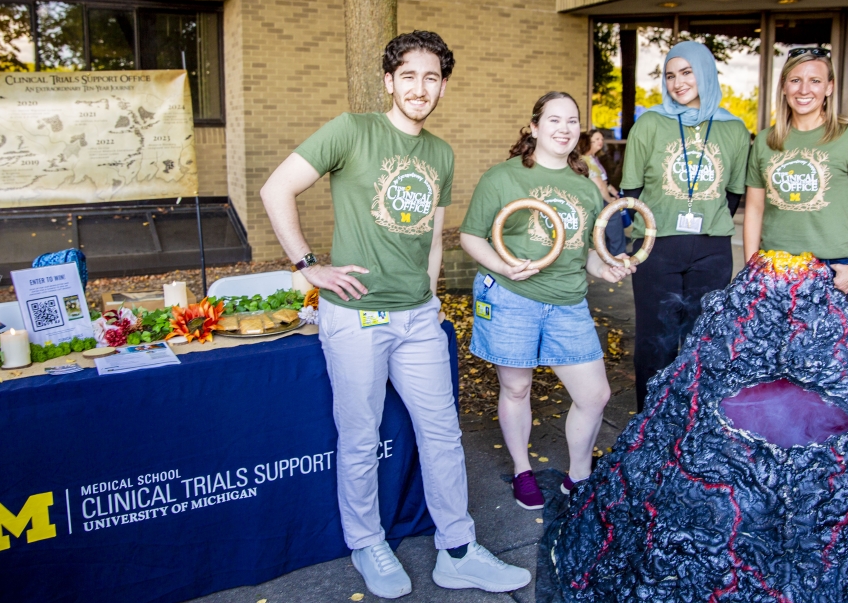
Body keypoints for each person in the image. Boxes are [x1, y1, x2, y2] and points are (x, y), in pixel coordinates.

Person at [260, 31, 530, 599]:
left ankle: (456, 550)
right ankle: (367, 543)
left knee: (442, 436)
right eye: (408, 75)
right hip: (355, 319)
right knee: (360, 439)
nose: (420, 87)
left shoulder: (440, 152)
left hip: (417, 321)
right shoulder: (351, 130)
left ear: (443, 86)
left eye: (431, 77)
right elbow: (276, 188)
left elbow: (432, 236)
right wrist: (308, 265)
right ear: (388, 80)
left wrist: (430, 298)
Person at [459, 91, 633, 509]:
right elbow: (470, 236)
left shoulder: (587, 188)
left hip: (567, 302)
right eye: (554, 120)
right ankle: (523, 471)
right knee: (516, 388)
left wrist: (605, 268)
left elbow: (585, 251)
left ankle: (578, 478)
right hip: (512, 295)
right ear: (534, 127)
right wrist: (502, 266)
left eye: (572, 121)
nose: (564, 128)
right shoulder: (502, 177)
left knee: (594, 396)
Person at [619, 41, 751, 412]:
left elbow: (734, 194)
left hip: (712, 250)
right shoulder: (649, 123)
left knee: (703, 340)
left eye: (687, 72)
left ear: (705, 73)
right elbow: (632, 193)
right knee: (655, 341)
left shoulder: (734, 130)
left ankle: (693, 424)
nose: (678, 83)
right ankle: (650, 424)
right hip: (657, 248)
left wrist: (704, 219)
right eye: (670, 75)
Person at [743, 46, 848, 319]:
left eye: (815, 81)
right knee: (776, 359)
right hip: (776, 270)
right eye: (795, 80)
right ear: (784, 87)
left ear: (829, 87)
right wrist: (752, 267)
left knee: (826, 360)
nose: (804, 90)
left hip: (836, 269)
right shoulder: (765, 141)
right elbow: (754, 209)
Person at [578, 128, 626, 257]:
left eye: (602, 139)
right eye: (596, 139)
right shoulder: (586, 160)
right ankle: (618, 257)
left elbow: (604, 181)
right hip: (600, 200)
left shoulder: (594, 158)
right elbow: (599, 185)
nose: (601, 142)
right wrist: (610, 201)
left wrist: (614, 191)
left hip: (601, 198)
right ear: (588, 142)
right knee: (614, 230)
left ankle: (612, 255)